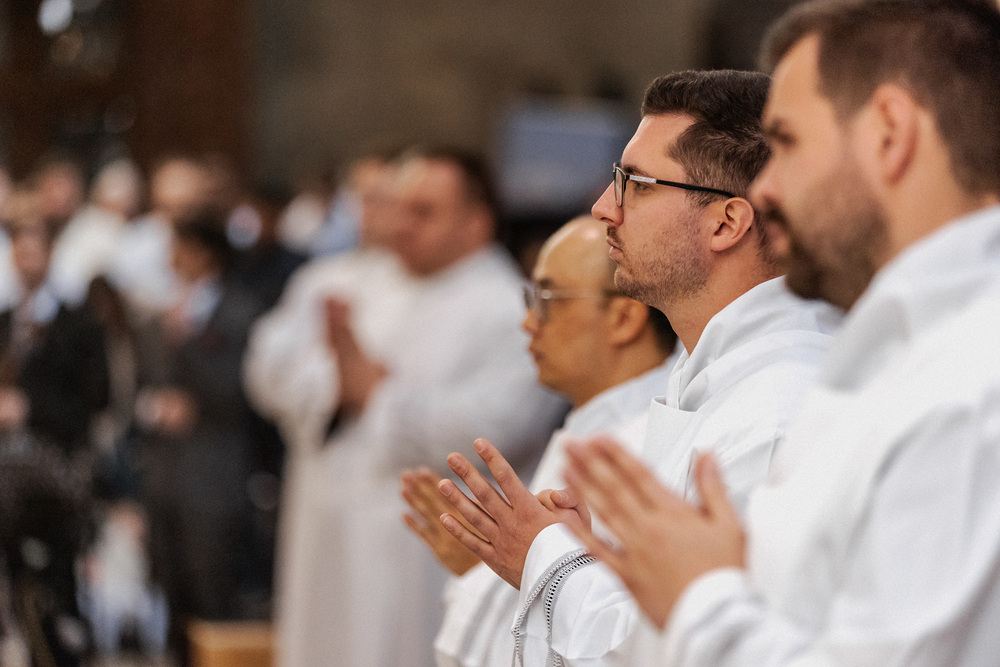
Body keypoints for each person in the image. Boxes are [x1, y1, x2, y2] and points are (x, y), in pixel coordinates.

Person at [560, 1, 1000, 666]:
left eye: (788, 142)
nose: (763, 190)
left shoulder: (969, 381)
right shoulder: (902, 353)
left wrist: (698, 596)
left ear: (890, 133)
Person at [436, 70, 842, 667]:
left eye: (636, 184)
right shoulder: (715, 381)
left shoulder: (778, 411)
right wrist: (590, 553)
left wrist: (544, 557)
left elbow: (707, 646)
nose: (604, 208)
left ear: (726, 223)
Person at [248, 146, 566, 667]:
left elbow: (501, 422)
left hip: (423, 547)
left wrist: (377, 396)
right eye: (398, 208)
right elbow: (268, 367)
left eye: (424, 212)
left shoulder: (508, 306)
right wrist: (338, 385)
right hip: (323, 522)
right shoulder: (347, 280)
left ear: (477, 222)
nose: (402, 224)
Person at [401, 215, 677, 667]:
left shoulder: (641, 454)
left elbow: (611, 642)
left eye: (549, 299)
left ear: (624, 318)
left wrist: (486, 568)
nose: (529, 322)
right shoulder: (593, 429)